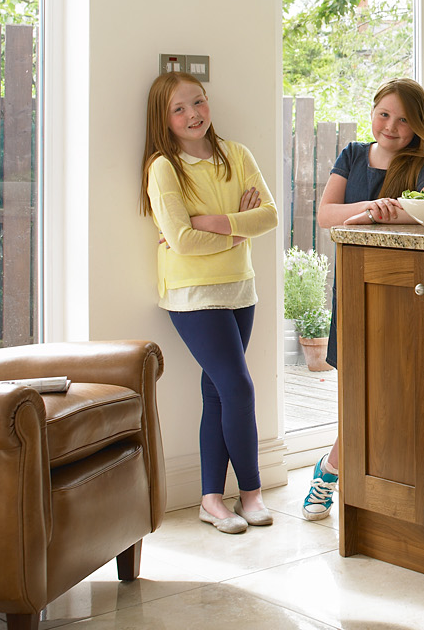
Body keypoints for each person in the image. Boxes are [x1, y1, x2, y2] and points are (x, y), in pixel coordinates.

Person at [141, 72, 279, 534]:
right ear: (164, 119)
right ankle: (253, 493)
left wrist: (216, 222)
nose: (192, 114)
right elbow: (180, 240)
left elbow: (270, 215)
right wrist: (238, 229)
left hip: (240, 287)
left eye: (197, 102)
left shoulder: (236, 154)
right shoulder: (163, 167)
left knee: (218, 393)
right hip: (193, 294)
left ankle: (210, 500)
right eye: (179, 109)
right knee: (238, 387)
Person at [302, 77, 424, 521]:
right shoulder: (352, 156)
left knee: (389, 390)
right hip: (353, 287)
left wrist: (396, 211)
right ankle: (333, 472)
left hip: (404, 290)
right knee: (356, 391)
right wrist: (371, 211)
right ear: (372, 113)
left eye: (404, 119)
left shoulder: (423, 164)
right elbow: (327, 214)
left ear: (418, 125)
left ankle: (333, 471)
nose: (392, 126)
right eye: (384, 114)